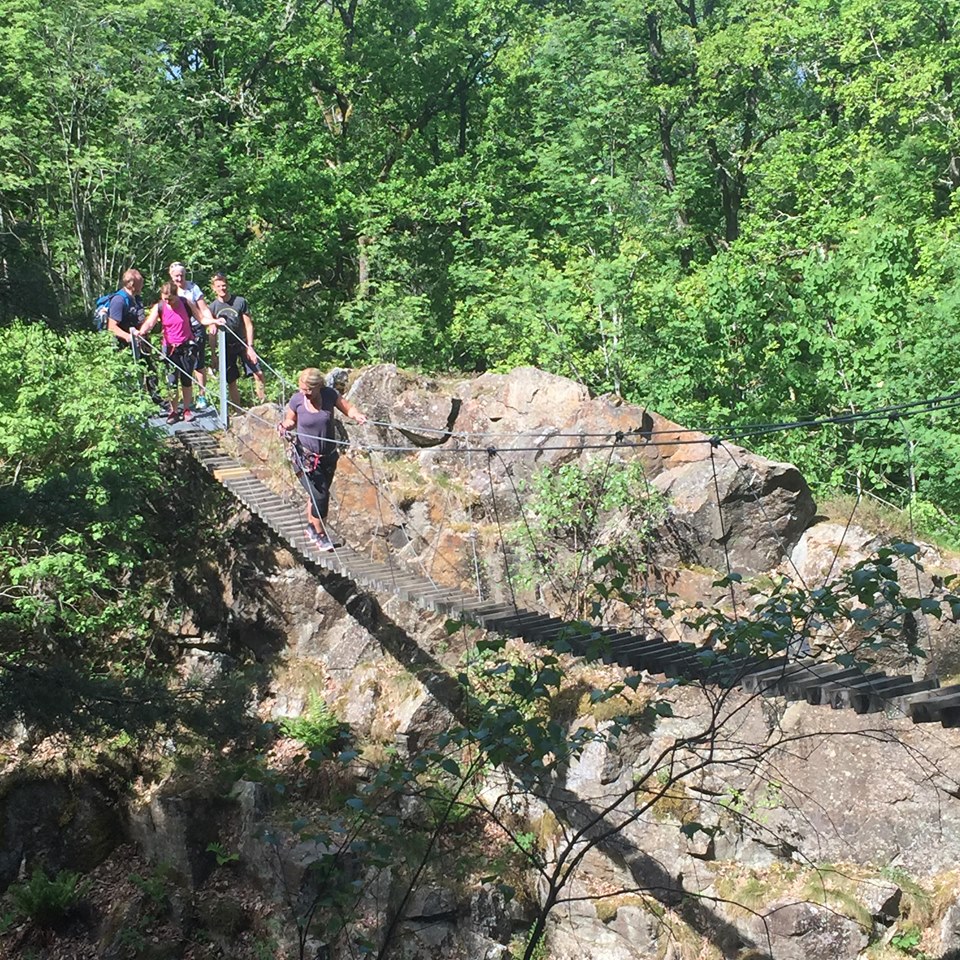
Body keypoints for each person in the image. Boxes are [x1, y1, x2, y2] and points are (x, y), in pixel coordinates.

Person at [279, 367, 367, 552]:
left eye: (308, 390)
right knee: (320, 496)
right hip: (304, 459)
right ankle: (320, 535)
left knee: (318, 494)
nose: (305, 393)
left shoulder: (329, 395)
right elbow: (291, 420)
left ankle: (311, 527)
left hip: (328, 457)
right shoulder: (297, 400)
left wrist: (357, 415)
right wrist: (285, 426)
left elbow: (347, 408)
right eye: (302, 389)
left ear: (319, 386)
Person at [139, 282, 199, 424]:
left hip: (186, 346)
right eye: (165, 298)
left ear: (176, 295)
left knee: (186, 379)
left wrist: (215, 321)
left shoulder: (186, 303)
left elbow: (201, 317)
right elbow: (150, 322)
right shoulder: (160, 307)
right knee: (172, 381)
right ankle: (174, 411)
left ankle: (186, 409)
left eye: (170, 299)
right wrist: (142, 331)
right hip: (169, 348)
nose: (168, 301)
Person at [208, 271, 266, 407]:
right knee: (231, 380)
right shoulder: (212, 307)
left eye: (224, 285)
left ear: (227, 285)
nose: (222, 288)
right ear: (213, 288)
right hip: (226, 347)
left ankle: (263, 404)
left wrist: (250, 346)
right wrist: (213, 354)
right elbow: (212, 333)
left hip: (242, 343)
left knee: (258, 373)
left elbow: (248, 325)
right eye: (218, 286)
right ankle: (238, 409)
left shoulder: (240, 302)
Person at [106, 268, 161, 404]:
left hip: (141, 342)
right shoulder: (119, 300)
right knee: (130, 374)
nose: (142, 284)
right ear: (131, 284)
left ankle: (155, 400)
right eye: (140, 282)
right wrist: (128, 336)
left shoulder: (137, 298)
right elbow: (111, 326)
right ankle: (133, 403)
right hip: (125, 346)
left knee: (150, 370)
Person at [168, 262, 217, 409]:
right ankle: (180, 402)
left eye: (182, 275)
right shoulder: (169, 289)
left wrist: (211, 322)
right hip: (179, 331)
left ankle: (201, 396)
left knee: (198, 363)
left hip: (196, 327)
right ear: (171, 276)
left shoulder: (193, 288)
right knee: (178, 366)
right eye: (176, 276)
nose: (179, 278)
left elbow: (203, 308)